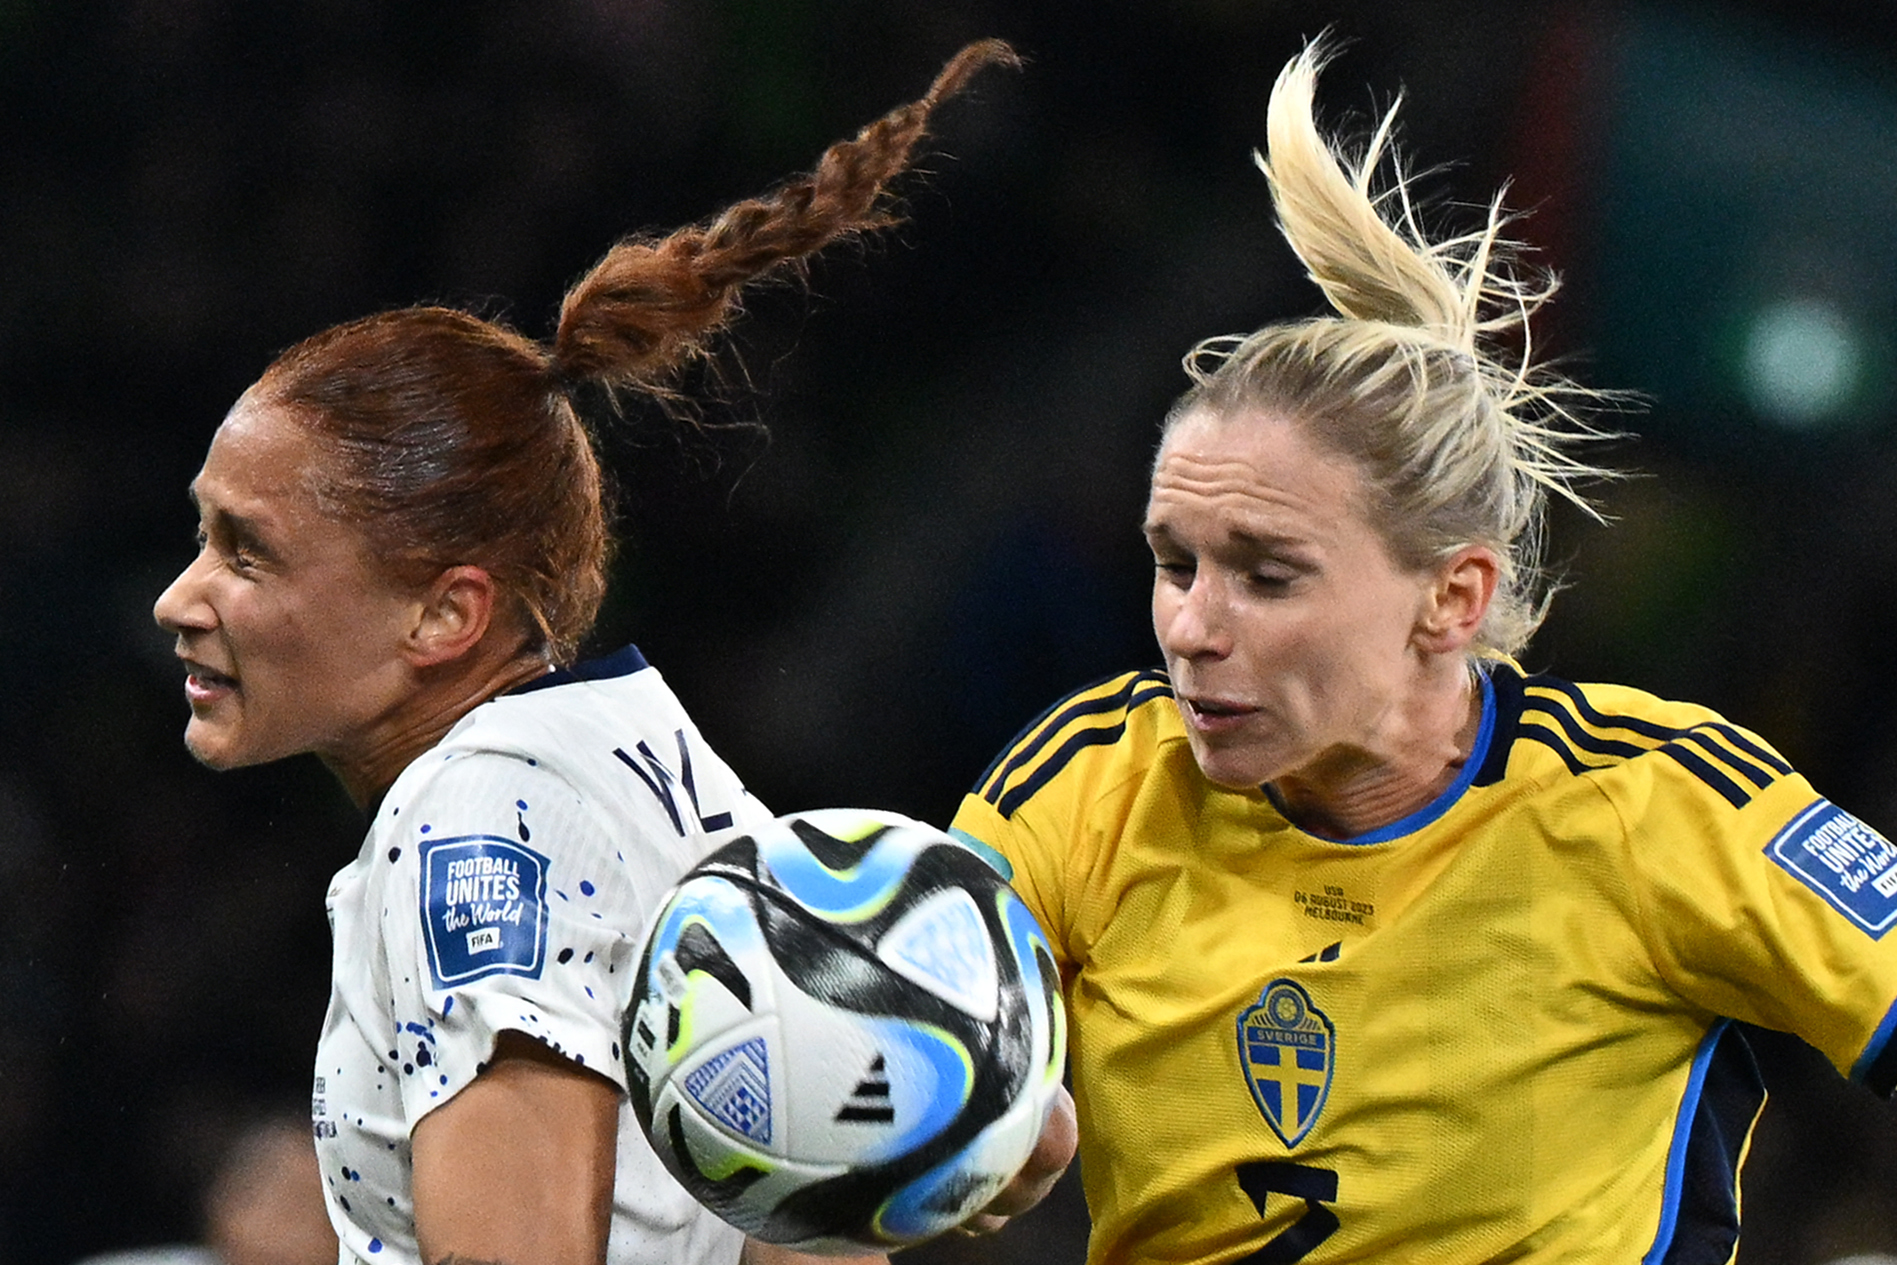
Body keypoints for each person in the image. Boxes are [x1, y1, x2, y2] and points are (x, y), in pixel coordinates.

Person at [949, 37, 1897, 1265]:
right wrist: (938, 1137)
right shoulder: (1084, 790)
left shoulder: (1656, 806)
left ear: (1450, 600)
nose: (1191, 624)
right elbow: (874, 1067)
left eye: (1266, 573)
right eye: (1173, 561)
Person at [153, 39, 1070, 1265]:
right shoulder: (628, 750)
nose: (178, 596)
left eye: (245, 551)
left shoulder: (475, 823)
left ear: (445, 616)